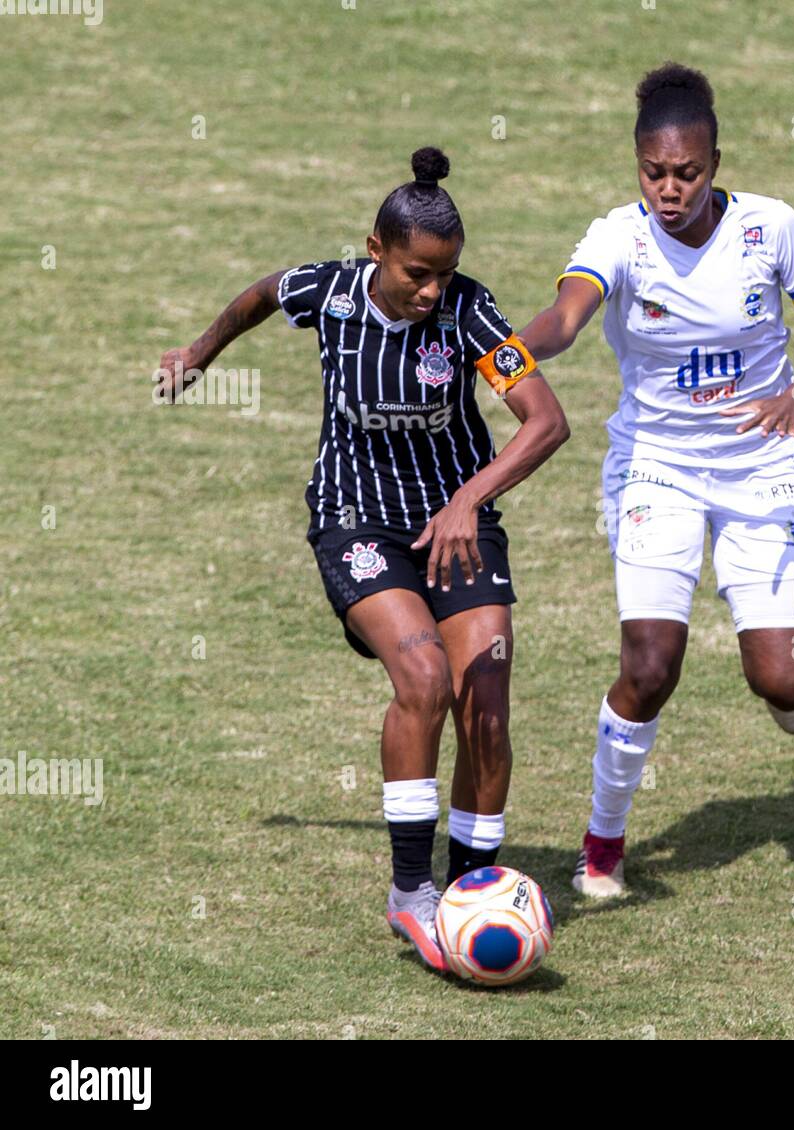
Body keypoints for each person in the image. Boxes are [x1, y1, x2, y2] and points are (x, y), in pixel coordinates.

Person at [155, 147, 568, 969]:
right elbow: (267, 292)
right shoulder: (333, 294)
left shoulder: (470, 314)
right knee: (422, 681)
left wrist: (466, 501)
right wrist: (197, 352)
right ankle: (411, 893)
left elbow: (545, 422)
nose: (431, 291)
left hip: (457, 521)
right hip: (355, 522)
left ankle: (471, 889)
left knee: (485, 690)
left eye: (444, 275)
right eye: (418, 273)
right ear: (377, 250)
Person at [517, 64, 794, 898]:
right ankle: (603, 843)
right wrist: (508, 350)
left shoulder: (771, 230)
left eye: (688, 173)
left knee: (784, 681)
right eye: (654, 173)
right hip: (656, 469)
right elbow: (564, 319)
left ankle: (786, 677)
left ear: (715, 162)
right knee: (650, 662)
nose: (670, 191)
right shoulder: (618, 239)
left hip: (761, 464)